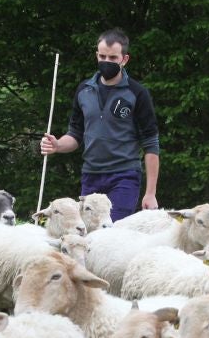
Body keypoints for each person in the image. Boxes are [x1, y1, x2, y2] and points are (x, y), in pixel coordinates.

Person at [39, 27, 160, 221]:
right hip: (91, 175)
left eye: (112, 58)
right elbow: (75, 134)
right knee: (87, 236)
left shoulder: (137, 93)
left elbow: (151, 144)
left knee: (114, 232)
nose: (106, 62)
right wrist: (57, 145)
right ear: (97, 55)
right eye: (102, 56)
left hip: (124, 176)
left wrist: (151, 193)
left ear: (124, 59)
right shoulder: (84, 90)